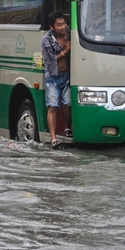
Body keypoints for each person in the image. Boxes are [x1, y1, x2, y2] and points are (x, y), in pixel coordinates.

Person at [41, 11, 71, 149]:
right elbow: (49, 61)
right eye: (59, 25)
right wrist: (65, 51)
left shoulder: (71, 34)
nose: (63, 27)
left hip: (68, 75)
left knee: (69, 104)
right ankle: (53, 138)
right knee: (53, 106)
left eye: (64, 23)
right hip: (53, 76)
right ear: (52, 27)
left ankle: (67, 128)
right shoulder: (46, 40)